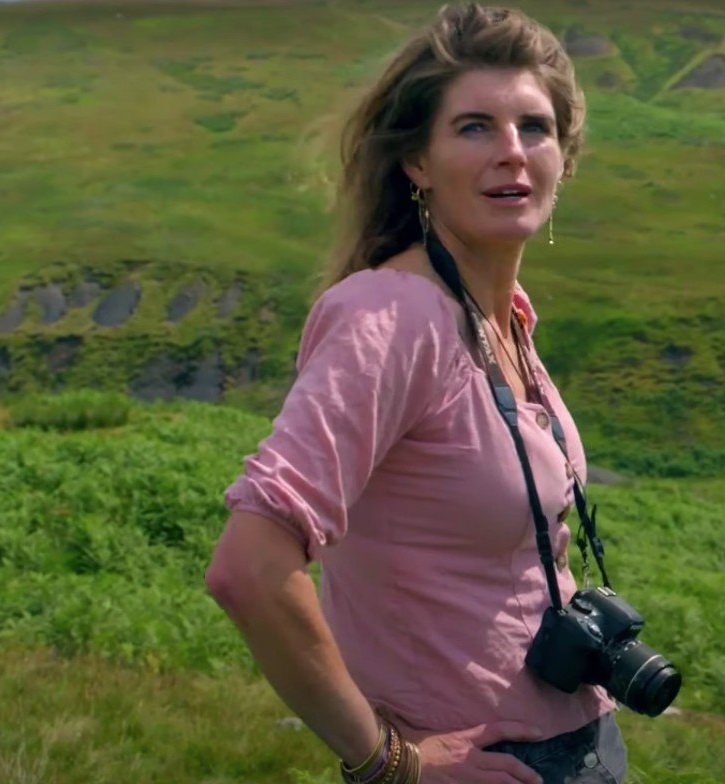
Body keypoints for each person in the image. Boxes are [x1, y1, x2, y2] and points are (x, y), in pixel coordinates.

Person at [203, 4, 627, 783]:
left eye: (534, 128)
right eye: (474, 127)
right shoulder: (392, 317)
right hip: (484, 762)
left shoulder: (504, 316)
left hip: (581, 745)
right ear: (417, 162)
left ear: (564, 157)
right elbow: (249, 567)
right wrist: (391, 764)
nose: (512, 151)